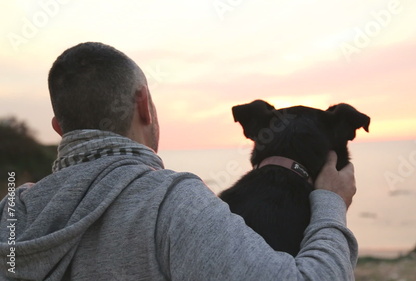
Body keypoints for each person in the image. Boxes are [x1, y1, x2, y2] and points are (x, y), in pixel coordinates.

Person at [0, 42, 358, 280]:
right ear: (144, 106)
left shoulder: (11, 215)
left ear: (59, 129)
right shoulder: (172, 205)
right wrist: (331, 203)